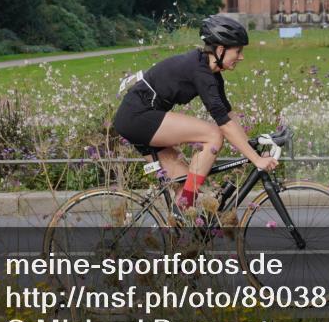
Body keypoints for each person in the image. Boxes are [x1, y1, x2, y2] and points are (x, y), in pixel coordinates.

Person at [113, 15, 278, 208]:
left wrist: (251, 143)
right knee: (213, 135)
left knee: (186, 190)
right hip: (137, 116)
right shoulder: (200, 73)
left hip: (140, 120)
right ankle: (186, 211)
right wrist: (256, 159)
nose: (241, 57)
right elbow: (223, 124)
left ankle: (180, 229)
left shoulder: (211, 74)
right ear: (220, 50)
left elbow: (228, 114)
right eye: (238, 51)